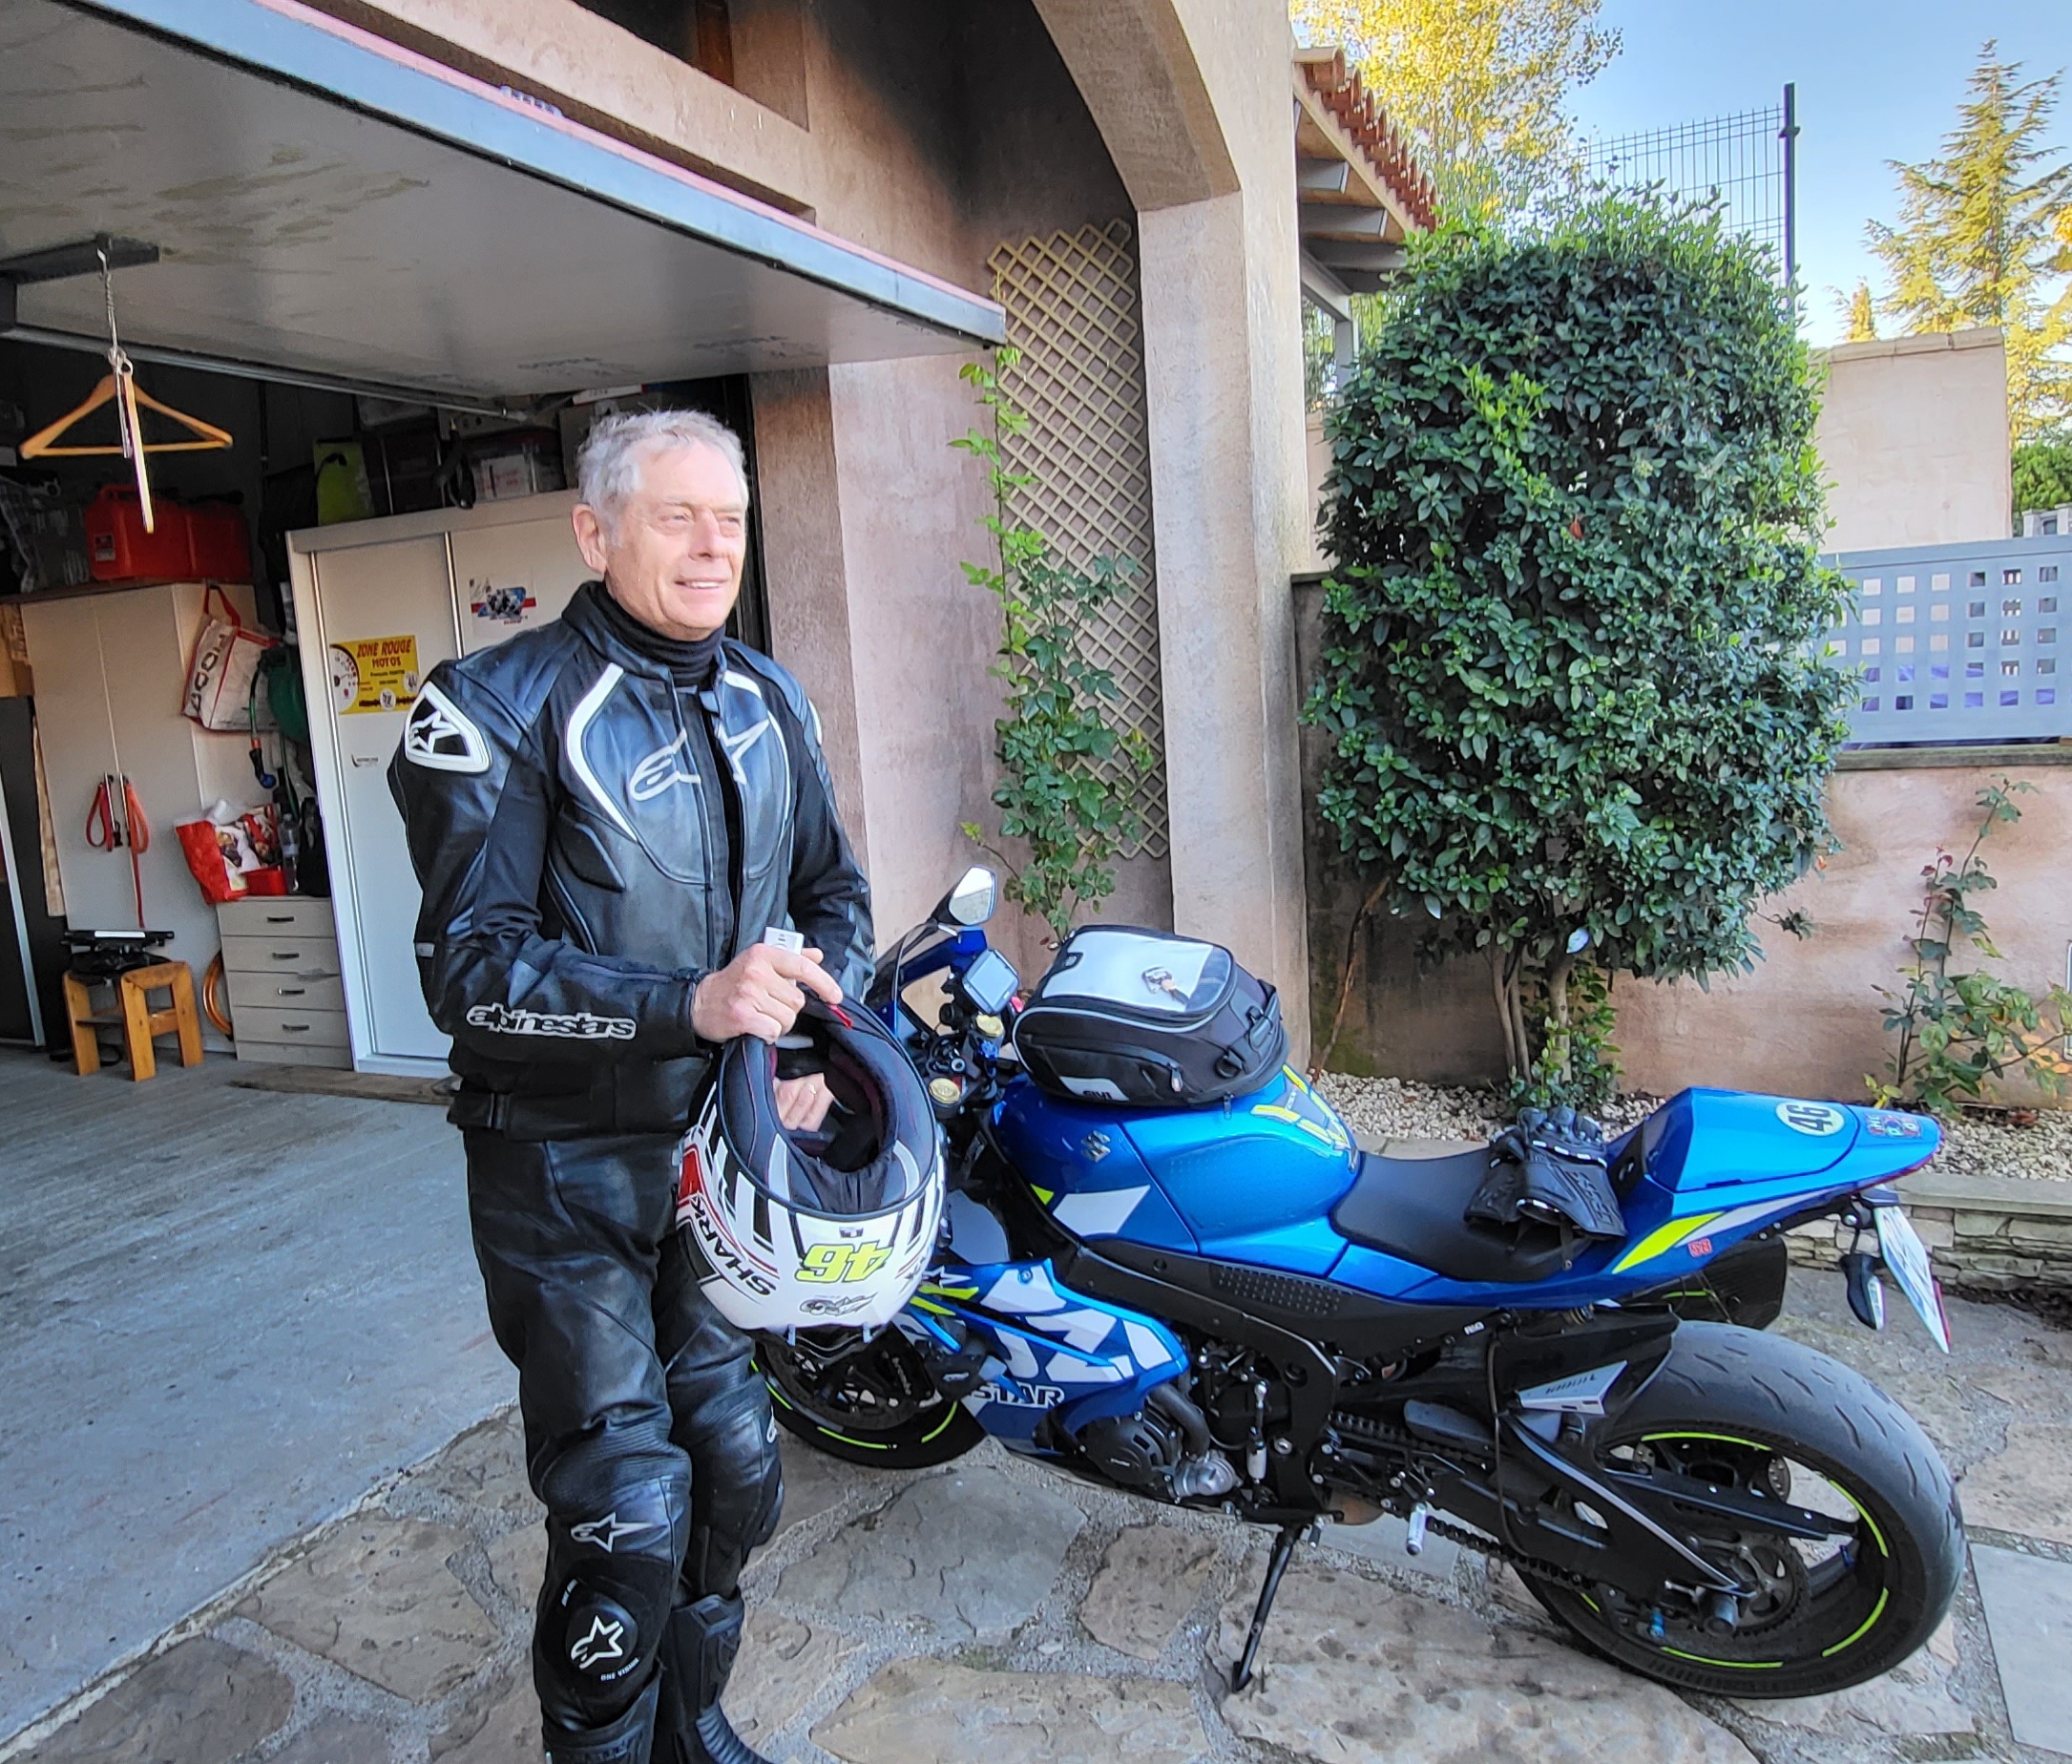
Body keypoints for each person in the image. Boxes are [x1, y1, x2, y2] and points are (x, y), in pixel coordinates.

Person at [388, 409, 871, 1764]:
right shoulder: (490, 706)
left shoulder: (770, 698)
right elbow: (468, 971)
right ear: (594, 534)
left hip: (722, 1163)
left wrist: (804, 1047)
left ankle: (689, 1728)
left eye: (731, 519)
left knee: (736, 1470)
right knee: (627, 1513)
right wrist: (692, 1005)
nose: (714, 546)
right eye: (678, 517)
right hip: (560, 1171)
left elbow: (833, 898)